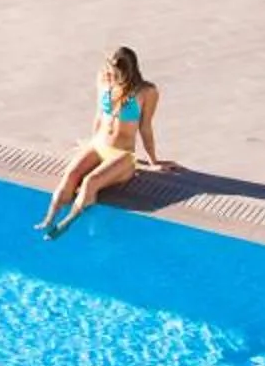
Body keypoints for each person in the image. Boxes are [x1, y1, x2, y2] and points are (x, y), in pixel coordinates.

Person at [38, 45, 175, 237]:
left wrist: (153, 161)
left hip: (123, 154)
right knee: (71, 174)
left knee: (90, 181)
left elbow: (145, 127)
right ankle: (49, 218)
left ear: (128, 72)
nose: (110, 76)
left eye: (115, 73)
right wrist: (90, 142)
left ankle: (67, 223)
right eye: (109, 70)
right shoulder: (104, 80)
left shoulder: (146, 92)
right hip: (99, 145)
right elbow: (99, 115)